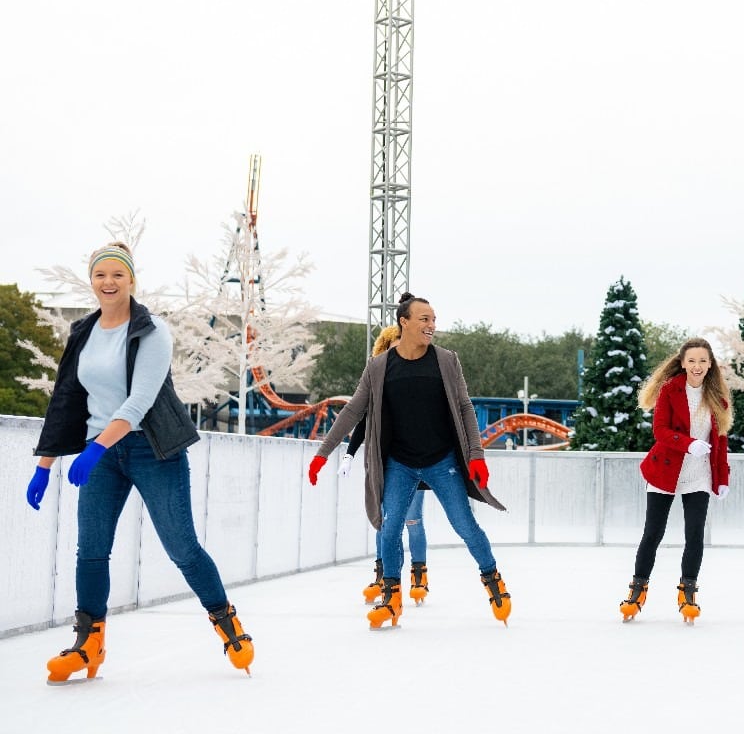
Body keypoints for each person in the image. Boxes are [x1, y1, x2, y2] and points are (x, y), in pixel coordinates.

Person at [26, 242, 253, 683]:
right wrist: (44, 464)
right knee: (90, 549)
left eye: (117, 275)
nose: (108, 283)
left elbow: (140, 400)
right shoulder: (82, 334)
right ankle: (88, 644)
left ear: (131, 280)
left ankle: (228, 623)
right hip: (103, 451)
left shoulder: (152, 331)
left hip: (152, 448)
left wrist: (96, 449)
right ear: (91, 281)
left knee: (181, 548)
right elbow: (66, 400)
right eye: (100, 276)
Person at [307, 292, 512, 629]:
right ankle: (392, 598)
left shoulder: (446, 360)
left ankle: (493, 580)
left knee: (465, 526)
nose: (432, 325)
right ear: (404, 322)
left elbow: (464, 407)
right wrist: (322, 454)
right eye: (425, 319)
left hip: (441, 459)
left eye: (433, 319)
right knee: (389, 531)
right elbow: (353, 411)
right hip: (400, 462)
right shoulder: (379, 367)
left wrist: (476, 455)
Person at [619, 337, 731, 625]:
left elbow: (720, 441)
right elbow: (660, 431)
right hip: (665, 472)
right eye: (692, 360)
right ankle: (637, 590)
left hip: (699, 475)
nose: (697, 366)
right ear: (682, 363)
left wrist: (722, 477)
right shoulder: (670, 390)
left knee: (694, 534)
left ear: (710, 364)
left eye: (703, 361)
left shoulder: (716, 397)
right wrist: (689, 443)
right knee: (653, 533)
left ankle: (688, 591)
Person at [342, 325, 432, 607]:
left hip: (415, 462)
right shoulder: (379, 381)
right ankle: (383, 576)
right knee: (384, 522)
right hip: (386, 464)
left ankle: (419, 575)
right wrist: (350, 454)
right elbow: (363, 419)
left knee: (412, 520)